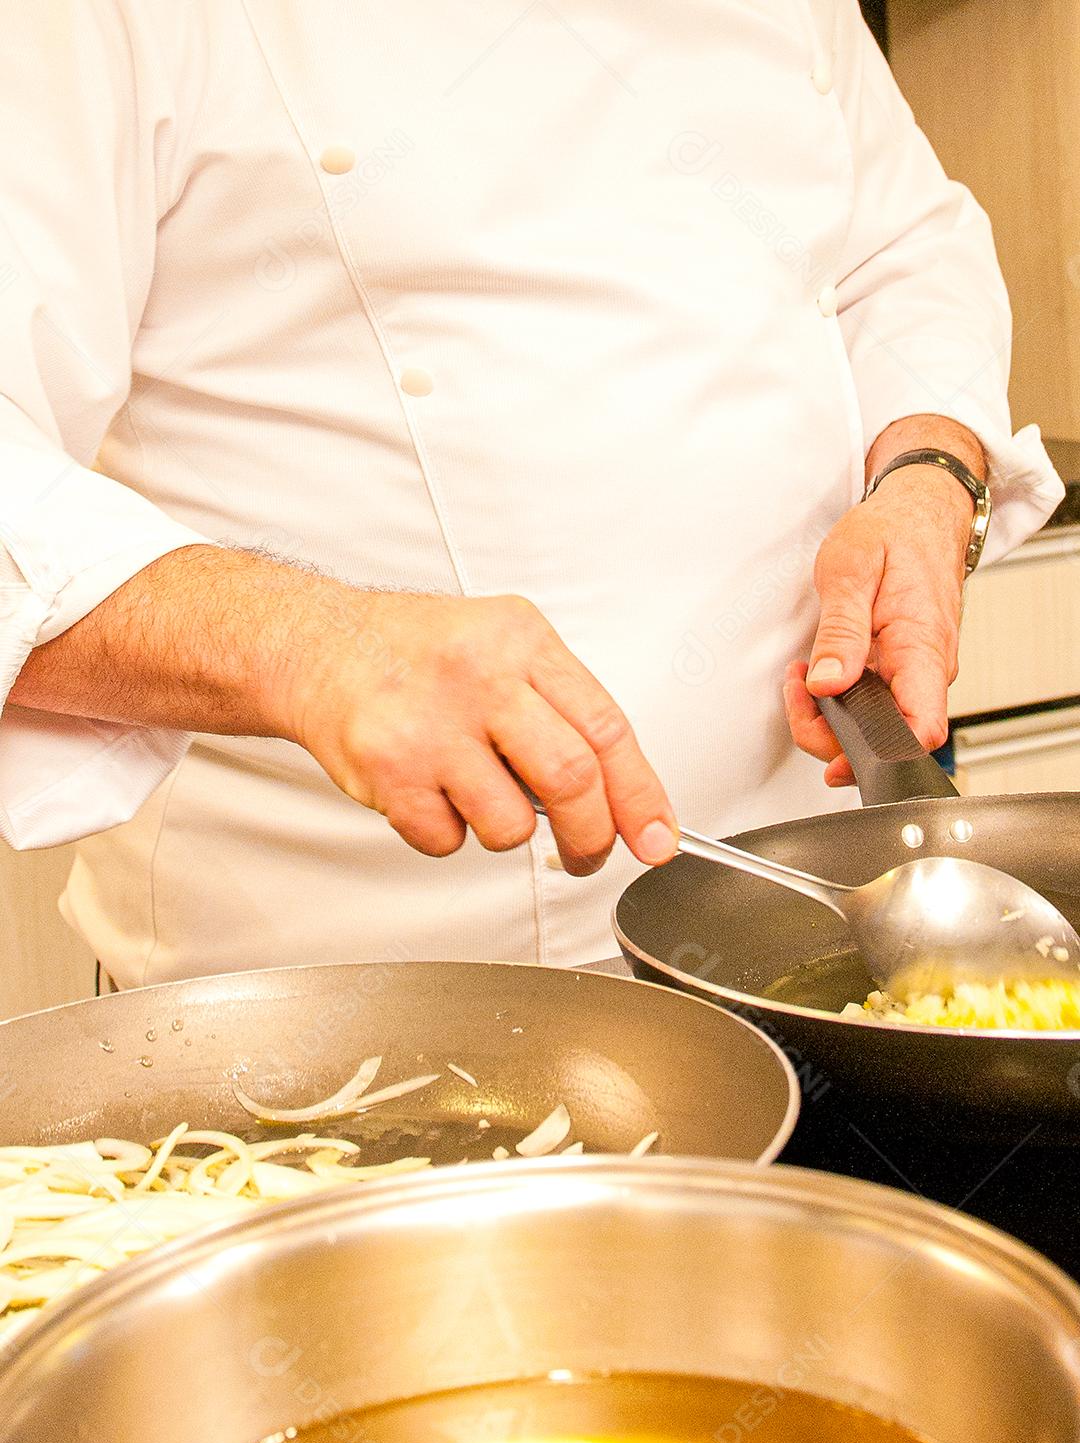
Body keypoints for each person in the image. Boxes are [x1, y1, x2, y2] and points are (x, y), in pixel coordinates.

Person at [0, 0, 1063, 984]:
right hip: (344, 988)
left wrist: (929, 472)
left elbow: (897, 246)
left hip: (816, 907)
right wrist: (310, 645)